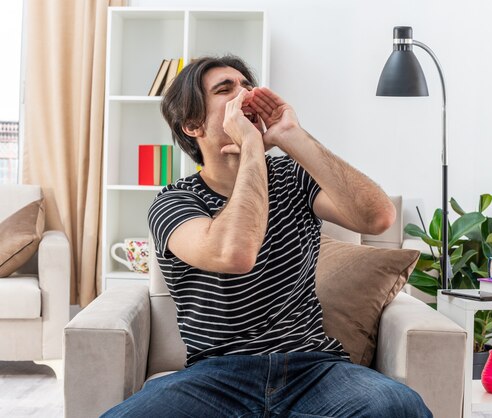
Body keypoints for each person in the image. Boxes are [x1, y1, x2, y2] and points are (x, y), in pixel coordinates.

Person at [102, 55, 432, 418]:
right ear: (192, 125)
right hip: (216, 378)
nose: (246, 94)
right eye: (225, 90)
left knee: (399, 406)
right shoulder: (175, 202)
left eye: (247, 85)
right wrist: (253, 151)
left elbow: (378, 217)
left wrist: (292, 136)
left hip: (314, 369)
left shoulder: (294, 178)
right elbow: (235, 253)